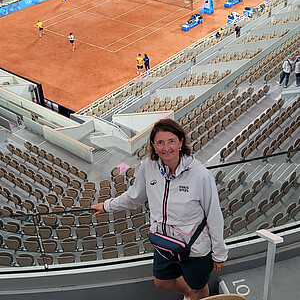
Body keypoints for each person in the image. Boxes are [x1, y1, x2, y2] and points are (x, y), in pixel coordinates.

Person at [91, 119, 227, 300]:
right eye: (160, 143)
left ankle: (194, 295)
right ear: (153, 146)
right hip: (164, 242)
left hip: (194, 247)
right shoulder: (148, 167)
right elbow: (134, 197)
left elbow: (214, 215)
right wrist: (106, 206)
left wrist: (219, 253)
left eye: (171, 141)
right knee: (161, 281)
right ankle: (188, 294)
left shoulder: (201, 175)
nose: (166, 148)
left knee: (199, 287)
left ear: (181, 142)